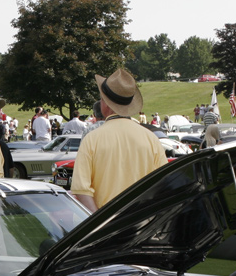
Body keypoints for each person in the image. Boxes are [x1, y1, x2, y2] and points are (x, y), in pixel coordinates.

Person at [69, 67, 167, 212]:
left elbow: (81, 189)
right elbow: (163, 186)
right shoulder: (151, 139)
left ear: (105, 103)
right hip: (142, 225)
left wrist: (101, 223)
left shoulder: (92, 139)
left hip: (106, 226)